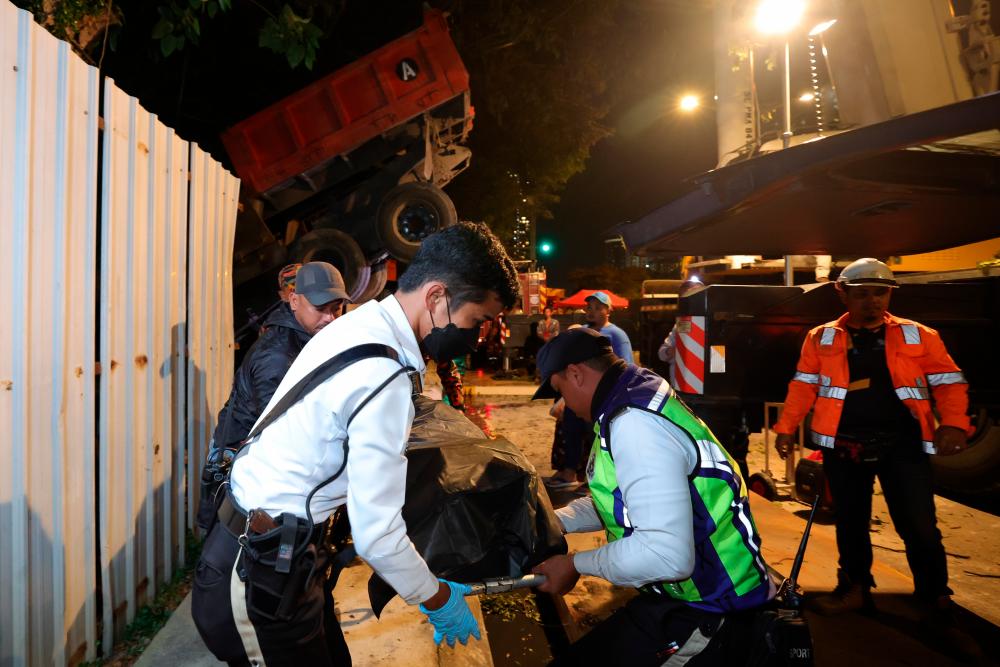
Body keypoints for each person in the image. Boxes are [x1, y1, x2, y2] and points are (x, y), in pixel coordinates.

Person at [191, 222, 520, 664]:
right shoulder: (382, 373)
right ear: (438, 297)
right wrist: (437, 596)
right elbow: (377, 536)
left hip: (285, 560)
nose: (475, 336)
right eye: (476, 320)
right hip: (257, 576)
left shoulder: (366, 324)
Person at [531, 328, 774, 665]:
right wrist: (553, 520)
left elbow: (665, 555)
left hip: (714, 607)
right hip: (680, 596)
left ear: (576, 374)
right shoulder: (629, 396)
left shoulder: (635, 424)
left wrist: (574, 564)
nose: (564, 407)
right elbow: (623, 500)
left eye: (560, 392)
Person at [772, 258, 975, 645]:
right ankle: (855, 589)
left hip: (904, 444)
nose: (872, 301)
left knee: (919, 526)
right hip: (844, 444)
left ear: (890, 295)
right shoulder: (821, 337)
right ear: (842, 293)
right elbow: (803, 385)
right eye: (862, 293)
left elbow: (950, 382)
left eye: (879, 293)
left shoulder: (919, 335)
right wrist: (785, 429)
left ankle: (934, 599)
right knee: (850, 521)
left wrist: (953, 423)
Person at [585, 291, 633, 364]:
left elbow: (626, 367)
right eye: (589, 307)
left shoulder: (617, 334)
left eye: (597, 308)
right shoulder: (582, 330)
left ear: (608, 311)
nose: (591, 311)